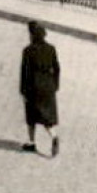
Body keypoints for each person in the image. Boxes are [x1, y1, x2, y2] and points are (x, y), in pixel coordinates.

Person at [19, 21, 61, 157]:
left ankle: (31, 142)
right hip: (48, 86)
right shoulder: (51, 49)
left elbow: (24, 73)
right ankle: (54, 136)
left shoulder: (28, 51)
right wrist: (55, 84)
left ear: (32, 35)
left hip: (33, 87)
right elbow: (57, 68)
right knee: (47, 117)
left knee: (31, 116)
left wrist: (23, 90)